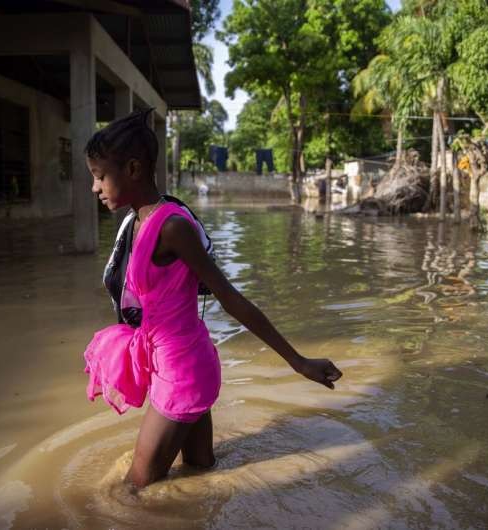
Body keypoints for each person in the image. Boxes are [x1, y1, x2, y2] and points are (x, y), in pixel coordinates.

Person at [82, 109, 343, 490]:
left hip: (181, 371)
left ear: (134, 169)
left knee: (132, 492)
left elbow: (231, 299)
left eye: (99, 176)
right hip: (179, 361)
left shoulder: (171, 227)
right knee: (200, 476)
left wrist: (298, 361)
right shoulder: (137, 222)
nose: (95, 187)